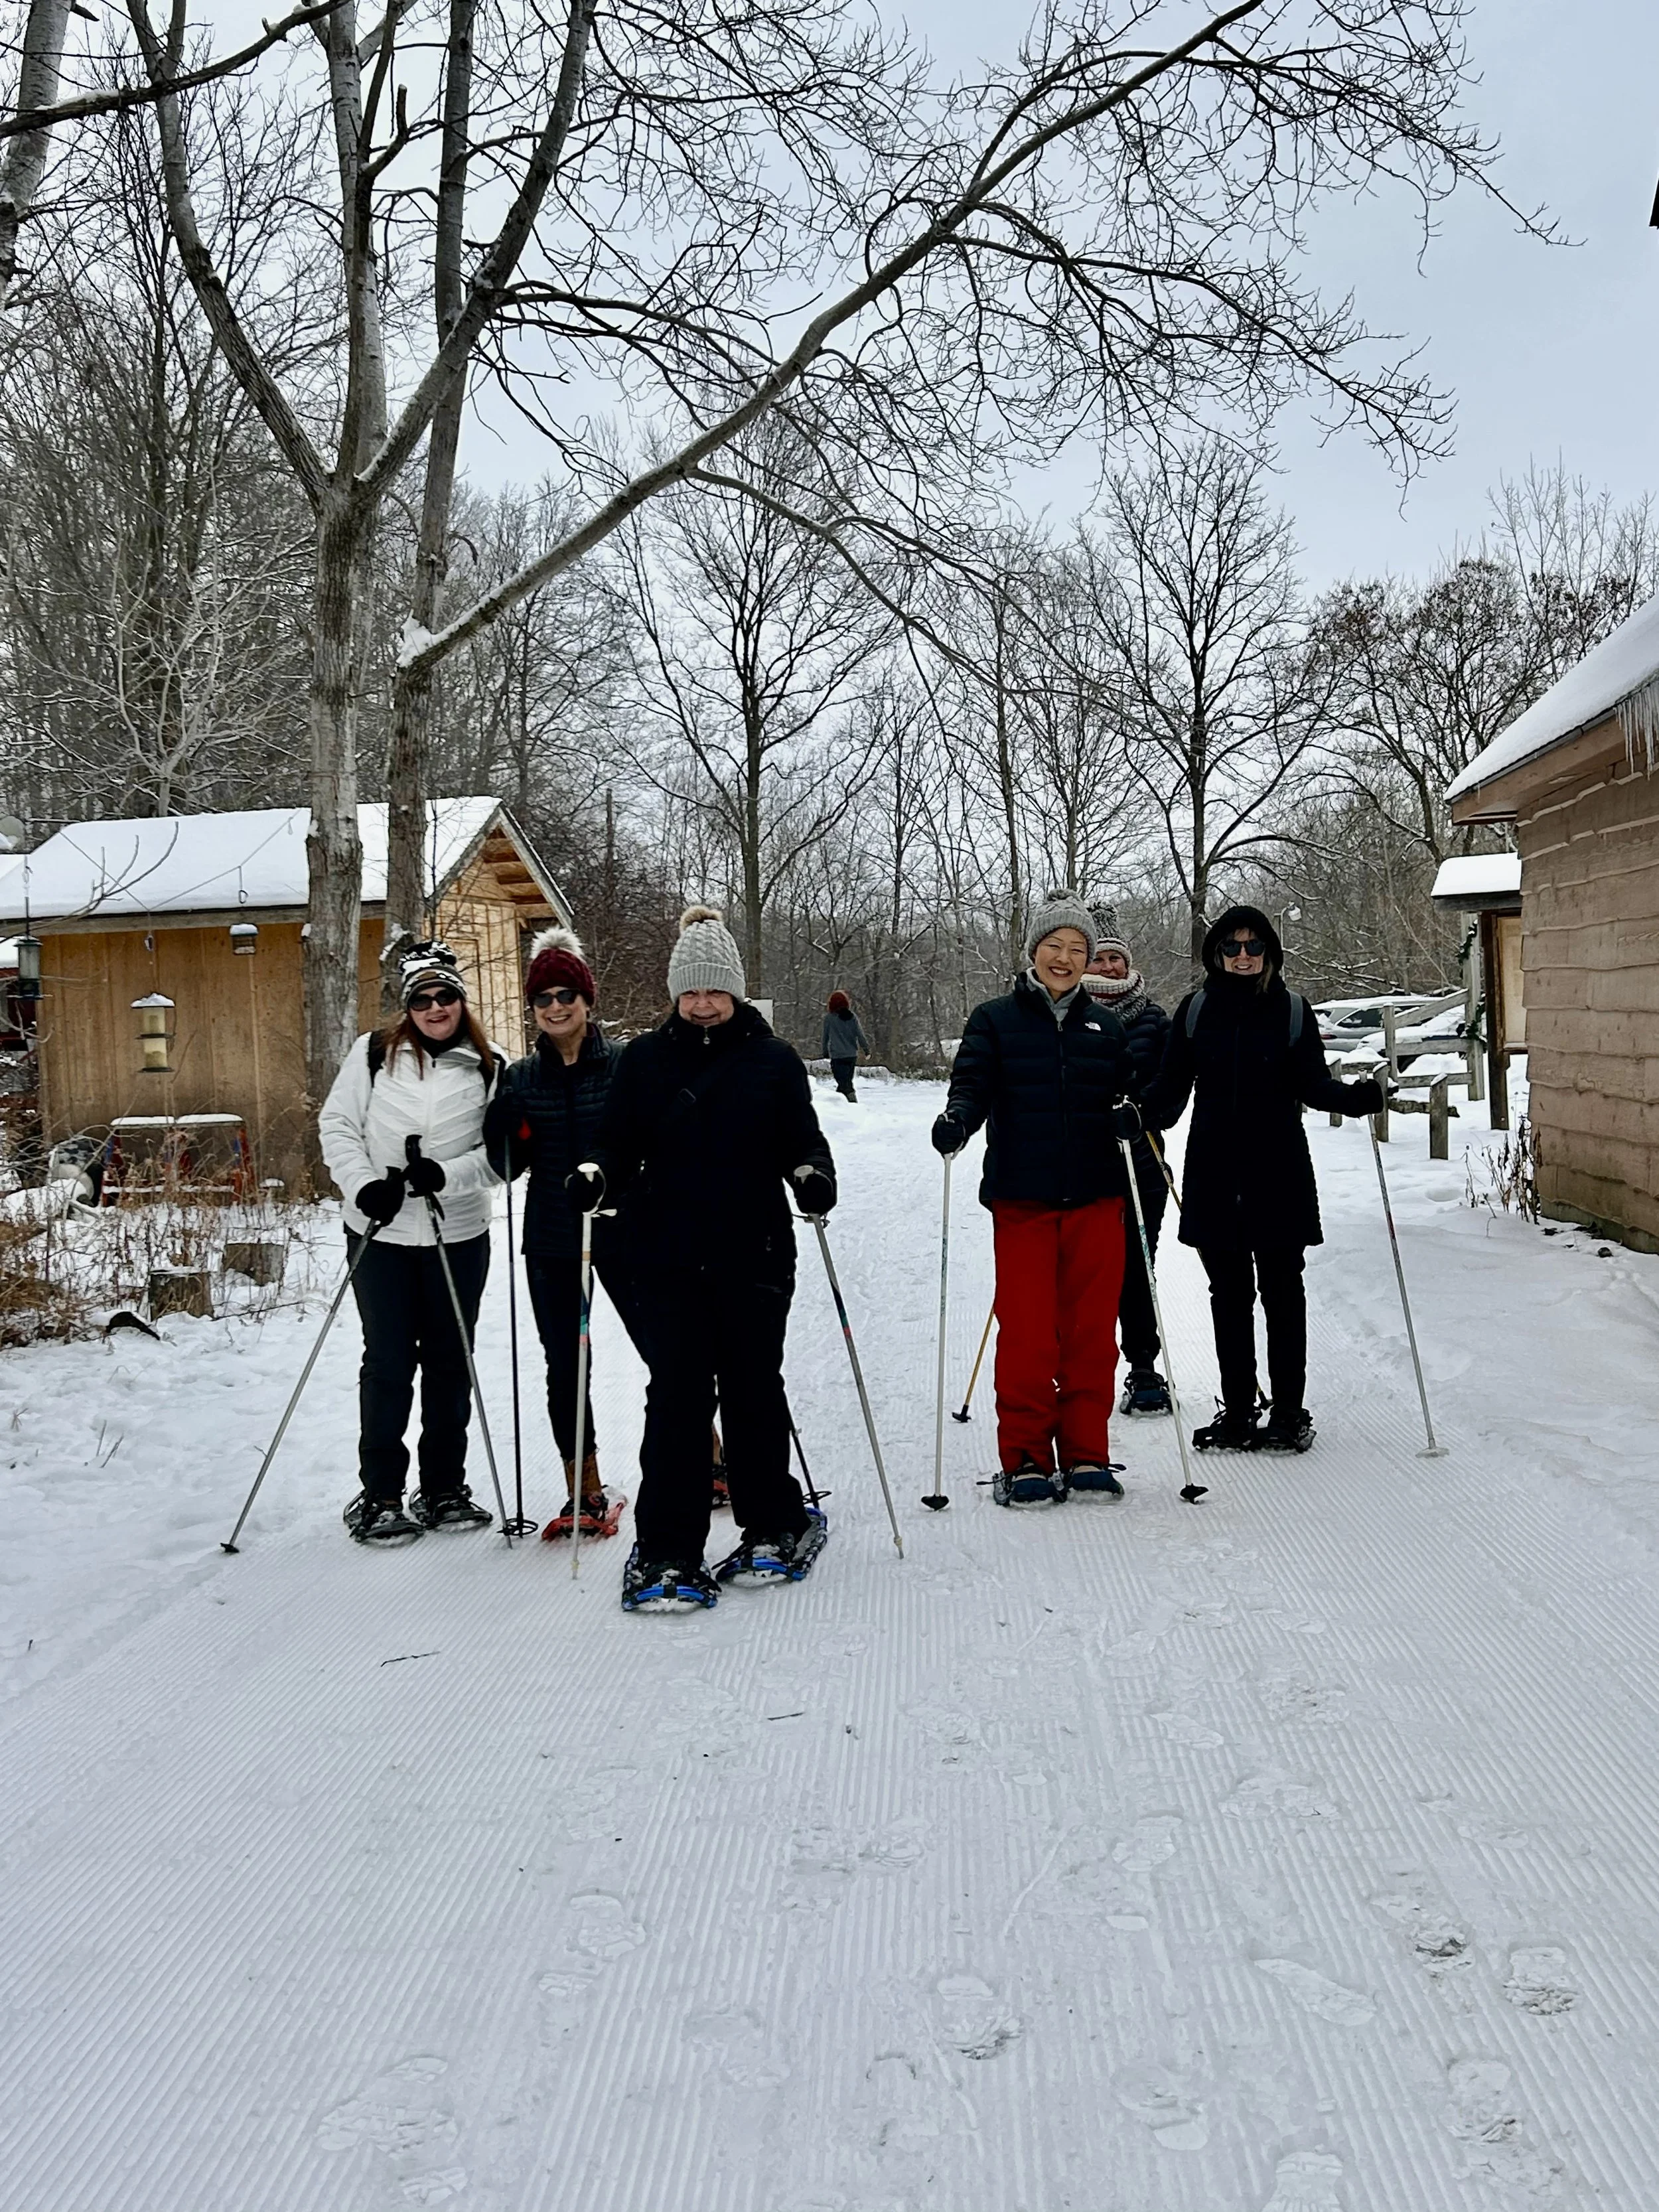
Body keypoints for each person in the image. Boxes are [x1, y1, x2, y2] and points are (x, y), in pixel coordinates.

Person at [587, 905, 836, 1611]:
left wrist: (814, 1177)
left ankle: (772, 1523)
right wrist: (596, 1174)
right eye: (691, 991)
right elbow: (615, 1141)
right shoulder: (642, 1060)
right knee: (677, 1398)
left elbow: (803, 1141)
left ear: (734, 991)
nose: (702, 1004)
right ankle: (667, 1546)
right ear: (675, 993)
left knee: (755, 1387)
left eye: (714, 991)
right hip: (664, 1254)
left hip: (753, 1252)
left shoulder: (773, 1060)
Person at [1141, 905, 1386, 1453]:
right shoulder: (1195, 1011)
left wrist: (1353, 1098)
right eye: (1232, 947)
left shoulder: (1292, 1012)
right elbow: (1170, 1089)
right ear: (1216, 954)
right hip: (1215, 1171)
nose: (1244, 956)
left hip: (1278, 1172)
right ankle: (1238, 1410)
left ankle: (1289, 1412)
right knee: (1228, 1294)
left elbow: (1315, 1085)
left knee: (1282, 1292)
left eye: (1254, 946)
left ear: (1270, 951)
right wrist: (1138, 1113)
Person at [932, 891, 1141, 1505]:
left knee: (1091, 1331)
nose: (1066, 958)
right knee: (1027, 1332)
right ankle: (1023, 1455)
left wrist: (1134, 1115)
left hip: (1096, 1197)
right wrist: (958, 1120)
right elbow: (972, 1083)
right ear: (1034, 951)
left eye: (1078, 949)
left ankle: (1085, 1453)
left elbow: (1129, 1094)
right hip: (1022, 1198)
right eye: (1055, 946)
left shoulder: (1106, 1027)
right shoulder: (995, 1019)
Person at [319, 940, 504, 1543]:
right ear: (408, 1006)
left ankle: (445, 1486)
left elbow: (500, 1159)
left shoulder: (489, 1064)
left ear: (461, 1000)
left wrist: (445, 1176)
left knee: (451, 1362)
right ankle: (380, 1494)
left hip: (458, 1232)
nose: (434, 1007)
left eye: (445, 995)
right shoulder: (373, 1053)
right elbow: (338, 1124)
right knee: (390, 1362)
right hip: (383, 1231)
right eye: (422, 998)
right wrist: (364, 1184)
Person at [484, 925, 638, 1539]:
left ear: (587, 1000)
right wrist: (502, 1125)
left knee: (666, 1347)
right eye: (542, 998)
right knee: (566, 1363)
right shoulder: (521, 1078)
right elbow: (506, 1168)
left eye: (565, 994)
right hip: (552, 1236)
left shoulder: (626, 1064)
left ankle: (706, 1454)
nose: (555, 1006)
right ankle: (585, 1488)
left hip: (625, 1229)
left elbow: (643, 1143)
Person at [1084, 907, 1174, 1415]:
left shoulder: (1153, 1018)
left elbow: (1172, 1089)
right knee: (1087, 1274)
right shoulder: (1069, 1015)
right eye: (1101, 957)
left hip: (1143, 1161)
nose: (1111, 967)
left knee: (1138, 1269)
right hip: (1084, 1166)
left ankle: (1143, 1367)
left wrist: (1141, 1113)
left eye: (1118, 958)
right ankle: (1082, 1371)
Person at [821, 990, 869, 1101]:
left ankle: (851, 1104)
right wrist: (866, 1049)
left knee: (844, 1083)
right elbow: (860, 1034)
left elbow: (825, 1037)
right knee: (846, 1082)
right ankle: (842, 1105)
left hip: (837, 1055)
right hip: (851, 1055)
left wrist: (825, 1051)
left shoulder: (829, 1019)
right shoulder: (852, 1017)